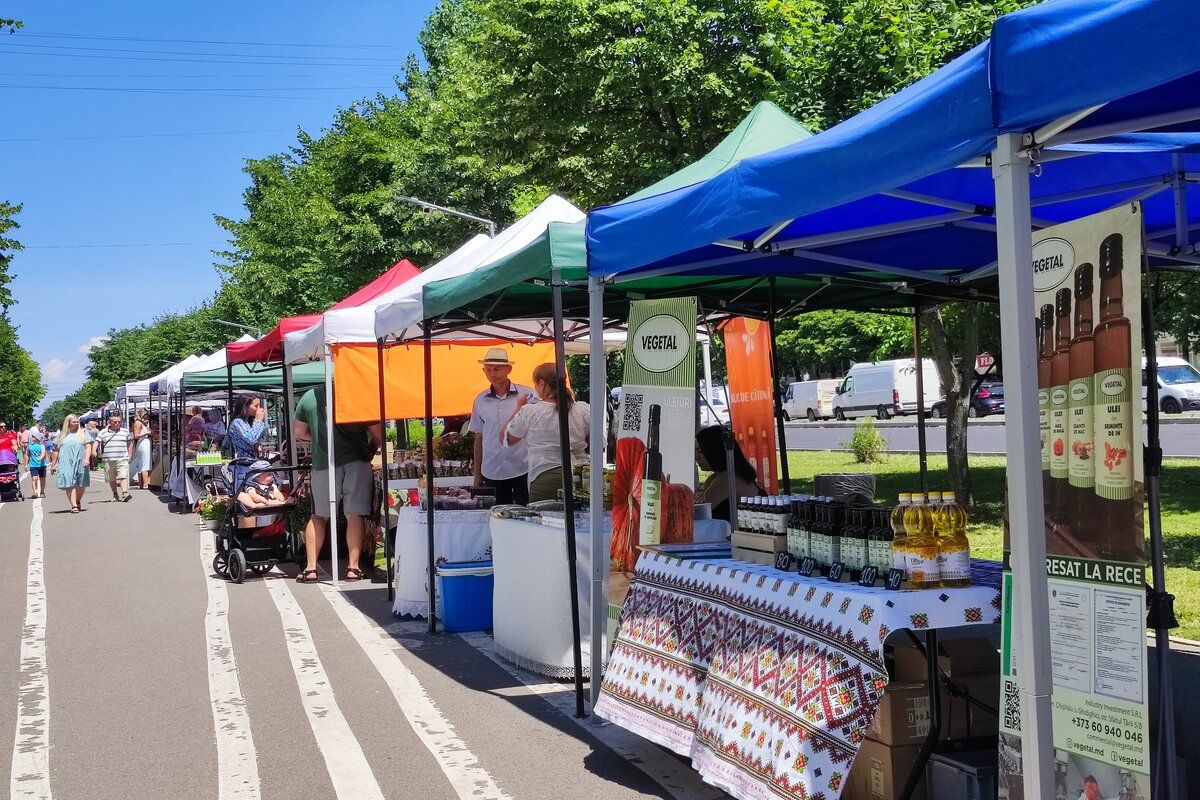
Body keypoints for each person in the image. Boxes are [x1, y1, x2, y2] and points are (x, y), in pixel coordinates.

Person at [292, 386, 380, 583]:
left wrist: (321, 439)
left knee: (318, 516)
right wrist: (371, 445)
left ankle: (311, 568)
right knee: (354, 515)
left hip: (323, 462)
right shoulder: (359, 393)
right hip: (357, 461)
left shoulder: (309, 397)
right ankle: (353, 568)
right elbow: (378, 435)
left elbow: (299, 432)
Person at [502, 362, 591, 504]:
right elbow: (599, 443)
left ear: (542, 383)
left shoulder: (530, 412)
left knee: (545, 523)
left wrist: (519, 407)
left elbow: (507, 439)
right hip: (581, 475)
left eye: (536, 384)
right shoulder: (583, 409)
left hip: (545, 477)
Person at [469, 348, 536, 505]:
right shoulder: (480, 400)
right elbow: (479, 437)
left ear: (509, 369)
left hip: (523, 467)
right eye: (488, 370)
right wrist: (477, 474)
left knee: (527, 516)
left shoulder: (528, 395)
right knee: (498, 518)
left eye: (497, 369)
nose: (492, 374)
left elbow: (540, 428)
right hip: (492, 470)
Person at [694, 424, 763, 523]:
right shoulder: (716, 478)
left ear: (714, 450)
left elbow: (698, 511)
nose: (696, 457)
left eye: (700, 451)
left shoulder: (728, 478)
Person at [52, 414, 93, 512]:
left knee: (81, 483)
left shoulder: (83, 433)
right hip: (66, 461)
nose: (76, 423)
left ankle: (78, 500)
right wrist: (53, 464)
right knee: (70, 482)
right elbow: (56, 450)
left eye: (77, 422)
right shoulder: (62, 435)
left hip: (80, 460)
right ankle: (74, 505)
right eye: (74, 422)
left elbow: (88, 447)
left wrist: (87, 459)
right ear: (68, 423)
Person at [235, 460, 290, 531]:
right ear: (257, 477)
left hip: (272, 506)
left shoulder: (272, 485)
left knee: (272, 522)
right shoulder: (253, 486)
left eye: (271, 474)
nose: (272, 476)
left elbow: (277, 493)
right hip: (261, 506)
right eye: (268, 474)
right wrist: (262, 499)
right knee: (262, 523)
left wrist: (280, 498)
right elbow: (253, 495)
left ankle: (282, 504)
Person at [228, 394, 268, 490]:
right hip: (244, 465)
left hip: (253, 463)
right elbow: (251, 438)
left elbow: (256, 438)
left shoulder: (247, 422)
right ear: (245, 406)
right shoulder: (237, 422)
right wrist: (258, 420)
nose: (259, 408)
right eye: (256, 406)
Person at [94, 413, 134, 502]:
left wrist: (130, 454)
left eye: (119, 422)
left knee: (123, 476)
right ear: (109, 422)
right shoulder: (103, 432)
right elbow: (97, 442)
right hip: (108, 460)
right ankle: (115, 494)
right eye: (115, 422)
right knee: (111, 479)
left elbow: (130, 443)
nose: (117, 424)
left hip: (122, 458)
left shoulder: (125, 432)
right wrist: (93, 451)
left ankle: (124, 493)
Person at [130, 410, 153, 489]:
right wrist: (147, 433)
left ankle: (141, 483)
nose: (147, 417)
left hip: (143, 443)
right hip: (143, 443)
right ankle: (145, 483)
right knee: (145, 463)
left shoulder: (140, 423)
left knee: (141, 463)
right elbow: (136, 435)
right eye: (145, 415)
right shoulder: (139, 423)